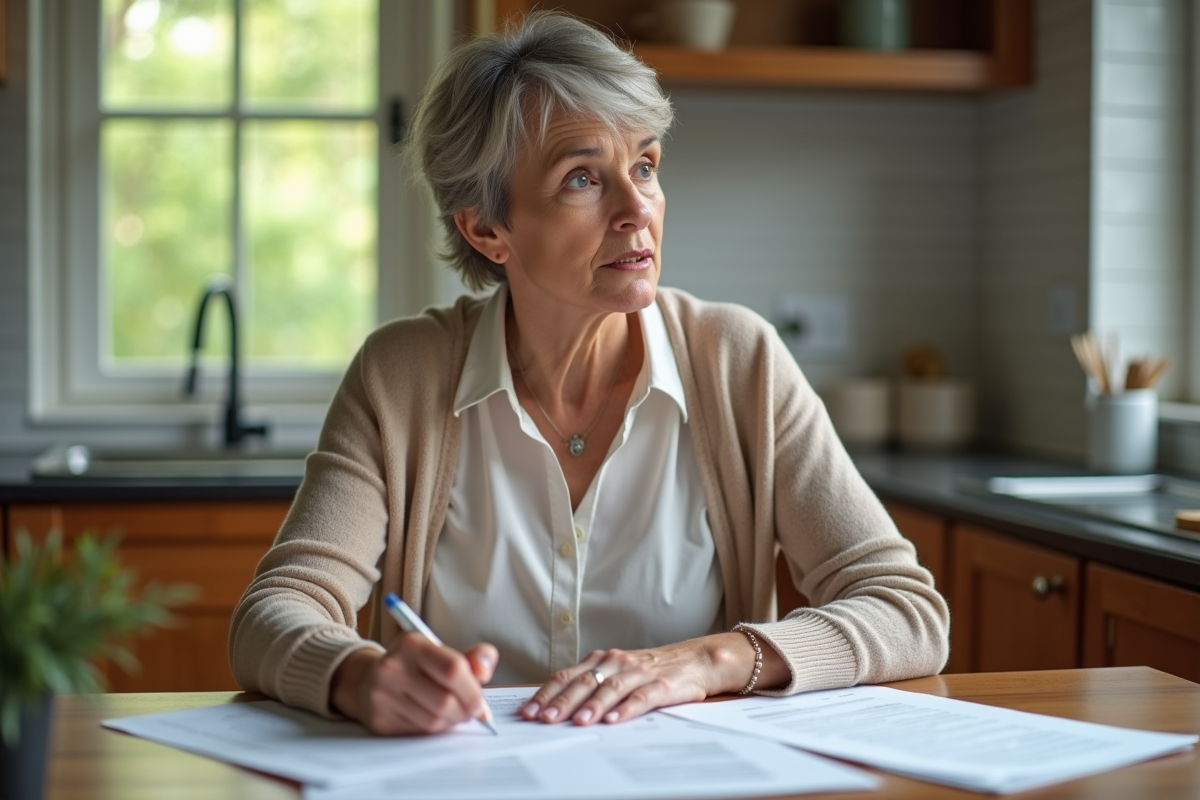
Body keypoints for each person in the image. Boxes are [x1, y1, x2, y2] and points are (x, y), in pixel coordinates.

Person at [229, 11, 949, 736]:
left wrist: (708, 660)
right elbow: (275, 611)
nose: (638, 209)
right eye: (582, 178)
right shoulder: (401, 376)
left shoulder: (739, 362)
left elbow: (906, 610)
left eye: (644, 165)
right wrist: (360, 678)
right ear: (486, 229)